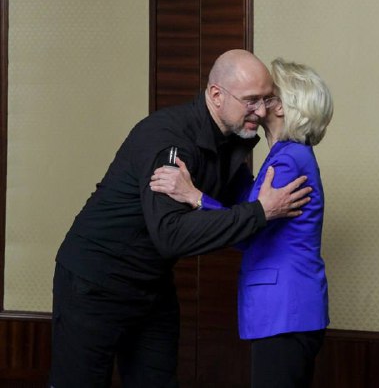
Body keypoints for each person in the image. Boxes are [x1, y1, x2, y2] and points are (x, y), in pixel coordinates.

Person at [49, 49, 312, 388]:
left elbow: (241, 210)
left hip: (151, 284)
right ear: (216, 95)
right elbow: (171, 234)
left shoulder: (232, 139)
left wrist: (263, 196)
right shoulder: (169, 138)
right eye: (250, 101)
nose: (261, 112)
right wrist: (260, 211)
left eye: (265, 99)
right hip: (95, 280)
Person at [151, 58, 333, 388]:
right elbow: (250, 214)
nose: (258, 105)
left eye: (268, 96)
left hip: (285, 310)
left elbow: (248, 231)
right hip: (290, 310)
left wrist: (194, 196)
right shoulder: (288, 155)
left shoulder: (288, 161)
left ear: (283, 106)